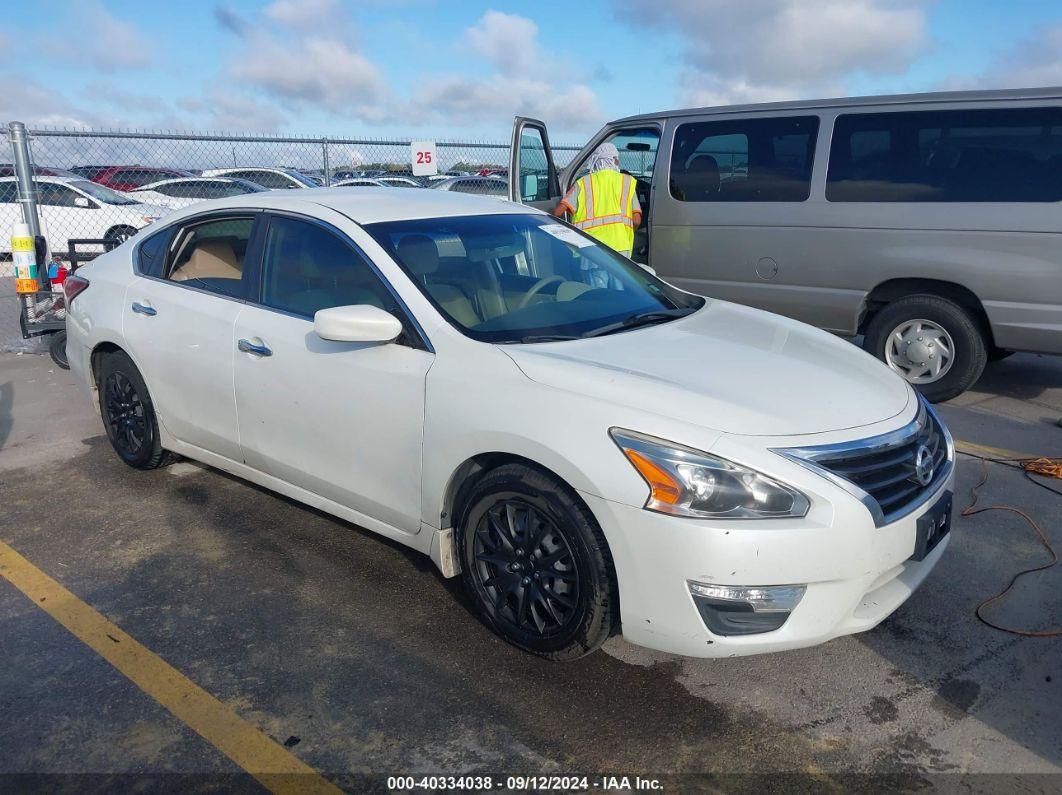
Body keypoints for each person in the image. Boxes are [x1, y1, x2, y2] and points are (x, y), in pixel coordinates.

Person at [553, 142, 642, 257]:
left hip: (590, 251)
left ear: (596, 161)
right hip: (621, 249)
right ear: (614, 160)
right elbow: (636, 221)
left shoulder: (583, 183)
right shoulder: (627, 182)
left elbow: (558, 212)